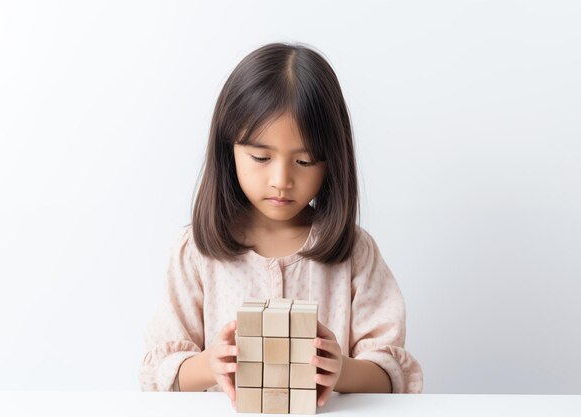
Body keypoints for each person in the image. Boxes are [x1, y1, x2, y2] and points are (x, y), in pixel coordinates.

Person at [139, 42, 423, 409]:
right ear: (229, 150)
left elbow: (392, 375)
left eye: (304, 161)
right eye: (260, 157)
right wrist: (211, 364)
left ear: (332, 160)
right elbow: (159, 373)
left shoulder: (356, 252)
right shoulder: (195, 252)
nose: (281, 179)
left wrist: (341, 370)